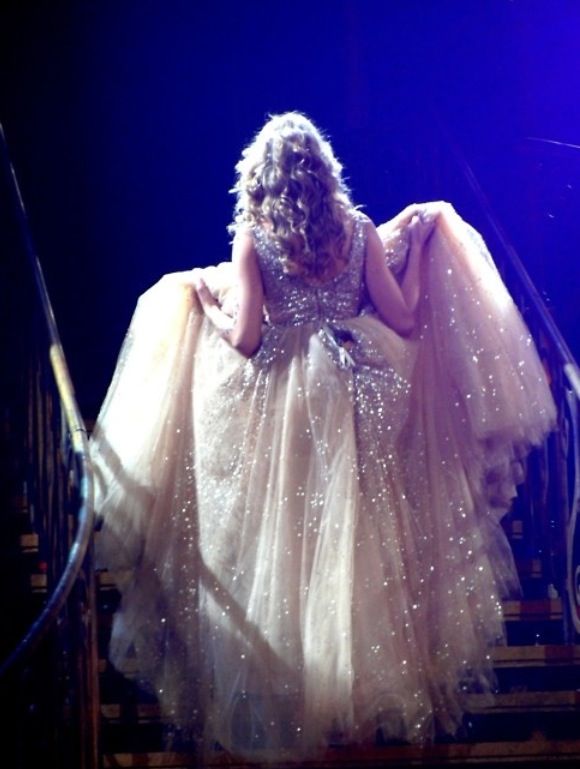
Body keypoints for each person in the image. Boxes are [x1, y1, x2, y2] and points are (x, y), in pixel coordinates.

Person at [91, 112, 556, 762]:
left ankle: (300, 690)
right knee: (359, 538)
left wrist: (208, 304)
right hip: (360, 391)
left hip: (289, 407)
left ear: (263, 178)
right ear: (322, 171)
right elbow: (404, 314)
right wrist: (418, 252)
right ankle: (351, 707)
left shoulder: (255, 240)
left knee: (290, 542)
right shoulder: (358, 231)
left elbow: (249, 340)